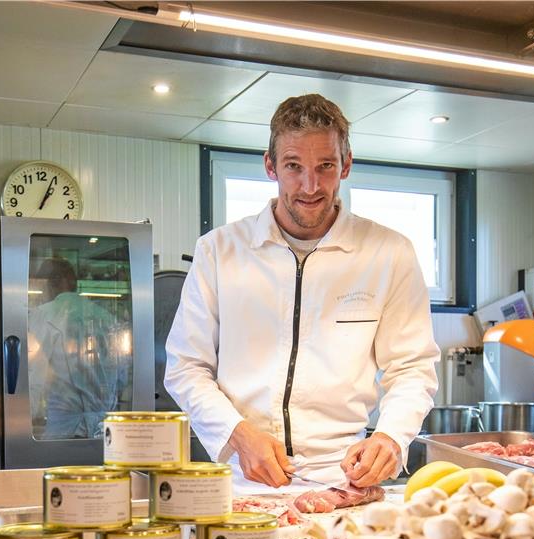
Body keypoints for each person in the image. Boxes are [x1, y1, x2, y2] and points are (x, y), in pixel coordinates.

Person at [165, 94, 439, 489]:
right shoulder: (219, 251)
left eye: (325, 166)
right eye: (293, 166)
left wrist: (391, 436)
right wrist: (238, 434)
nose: (310, 186)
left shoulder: (388, 252)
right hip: (244, 478)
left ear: (345, 165)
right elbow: (186, 366)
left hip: (345, 478)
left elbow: (412, 366)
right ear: (270, 166)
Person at [28, 257, 131, 439]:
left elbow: (36, 375)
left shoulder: (43, 315)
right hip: (104, 430)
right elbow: (122, 375)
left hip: (63, 430)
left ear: (54, 283)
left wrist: (27, 417)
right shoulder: (106, 317)